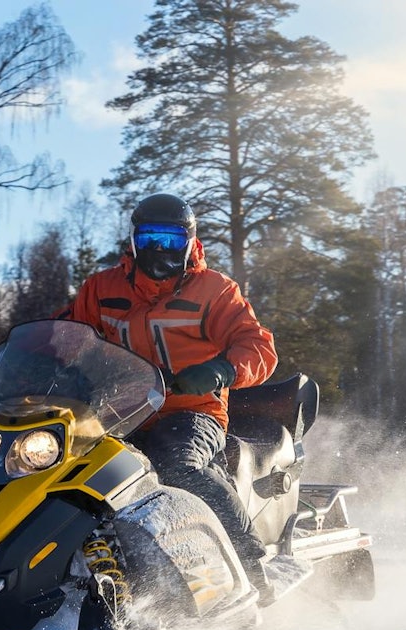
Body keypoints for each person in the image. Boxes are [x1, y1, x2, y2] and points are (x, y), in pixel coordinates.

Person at [56, 193, 279, 601]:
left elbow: (259, 348)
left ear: (190, 243)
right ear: (134, 241)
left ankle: (249, 564)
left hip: (192, 410)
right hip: (117, 412)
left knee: (177, 464)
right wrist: (38, 361)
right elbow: (68, 338)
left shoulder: (214, 290)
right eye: (150, 239)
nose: (160, 250)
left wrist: (222, 369)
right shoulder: (101, 289)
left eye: (171, 241)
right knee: (54, 463)